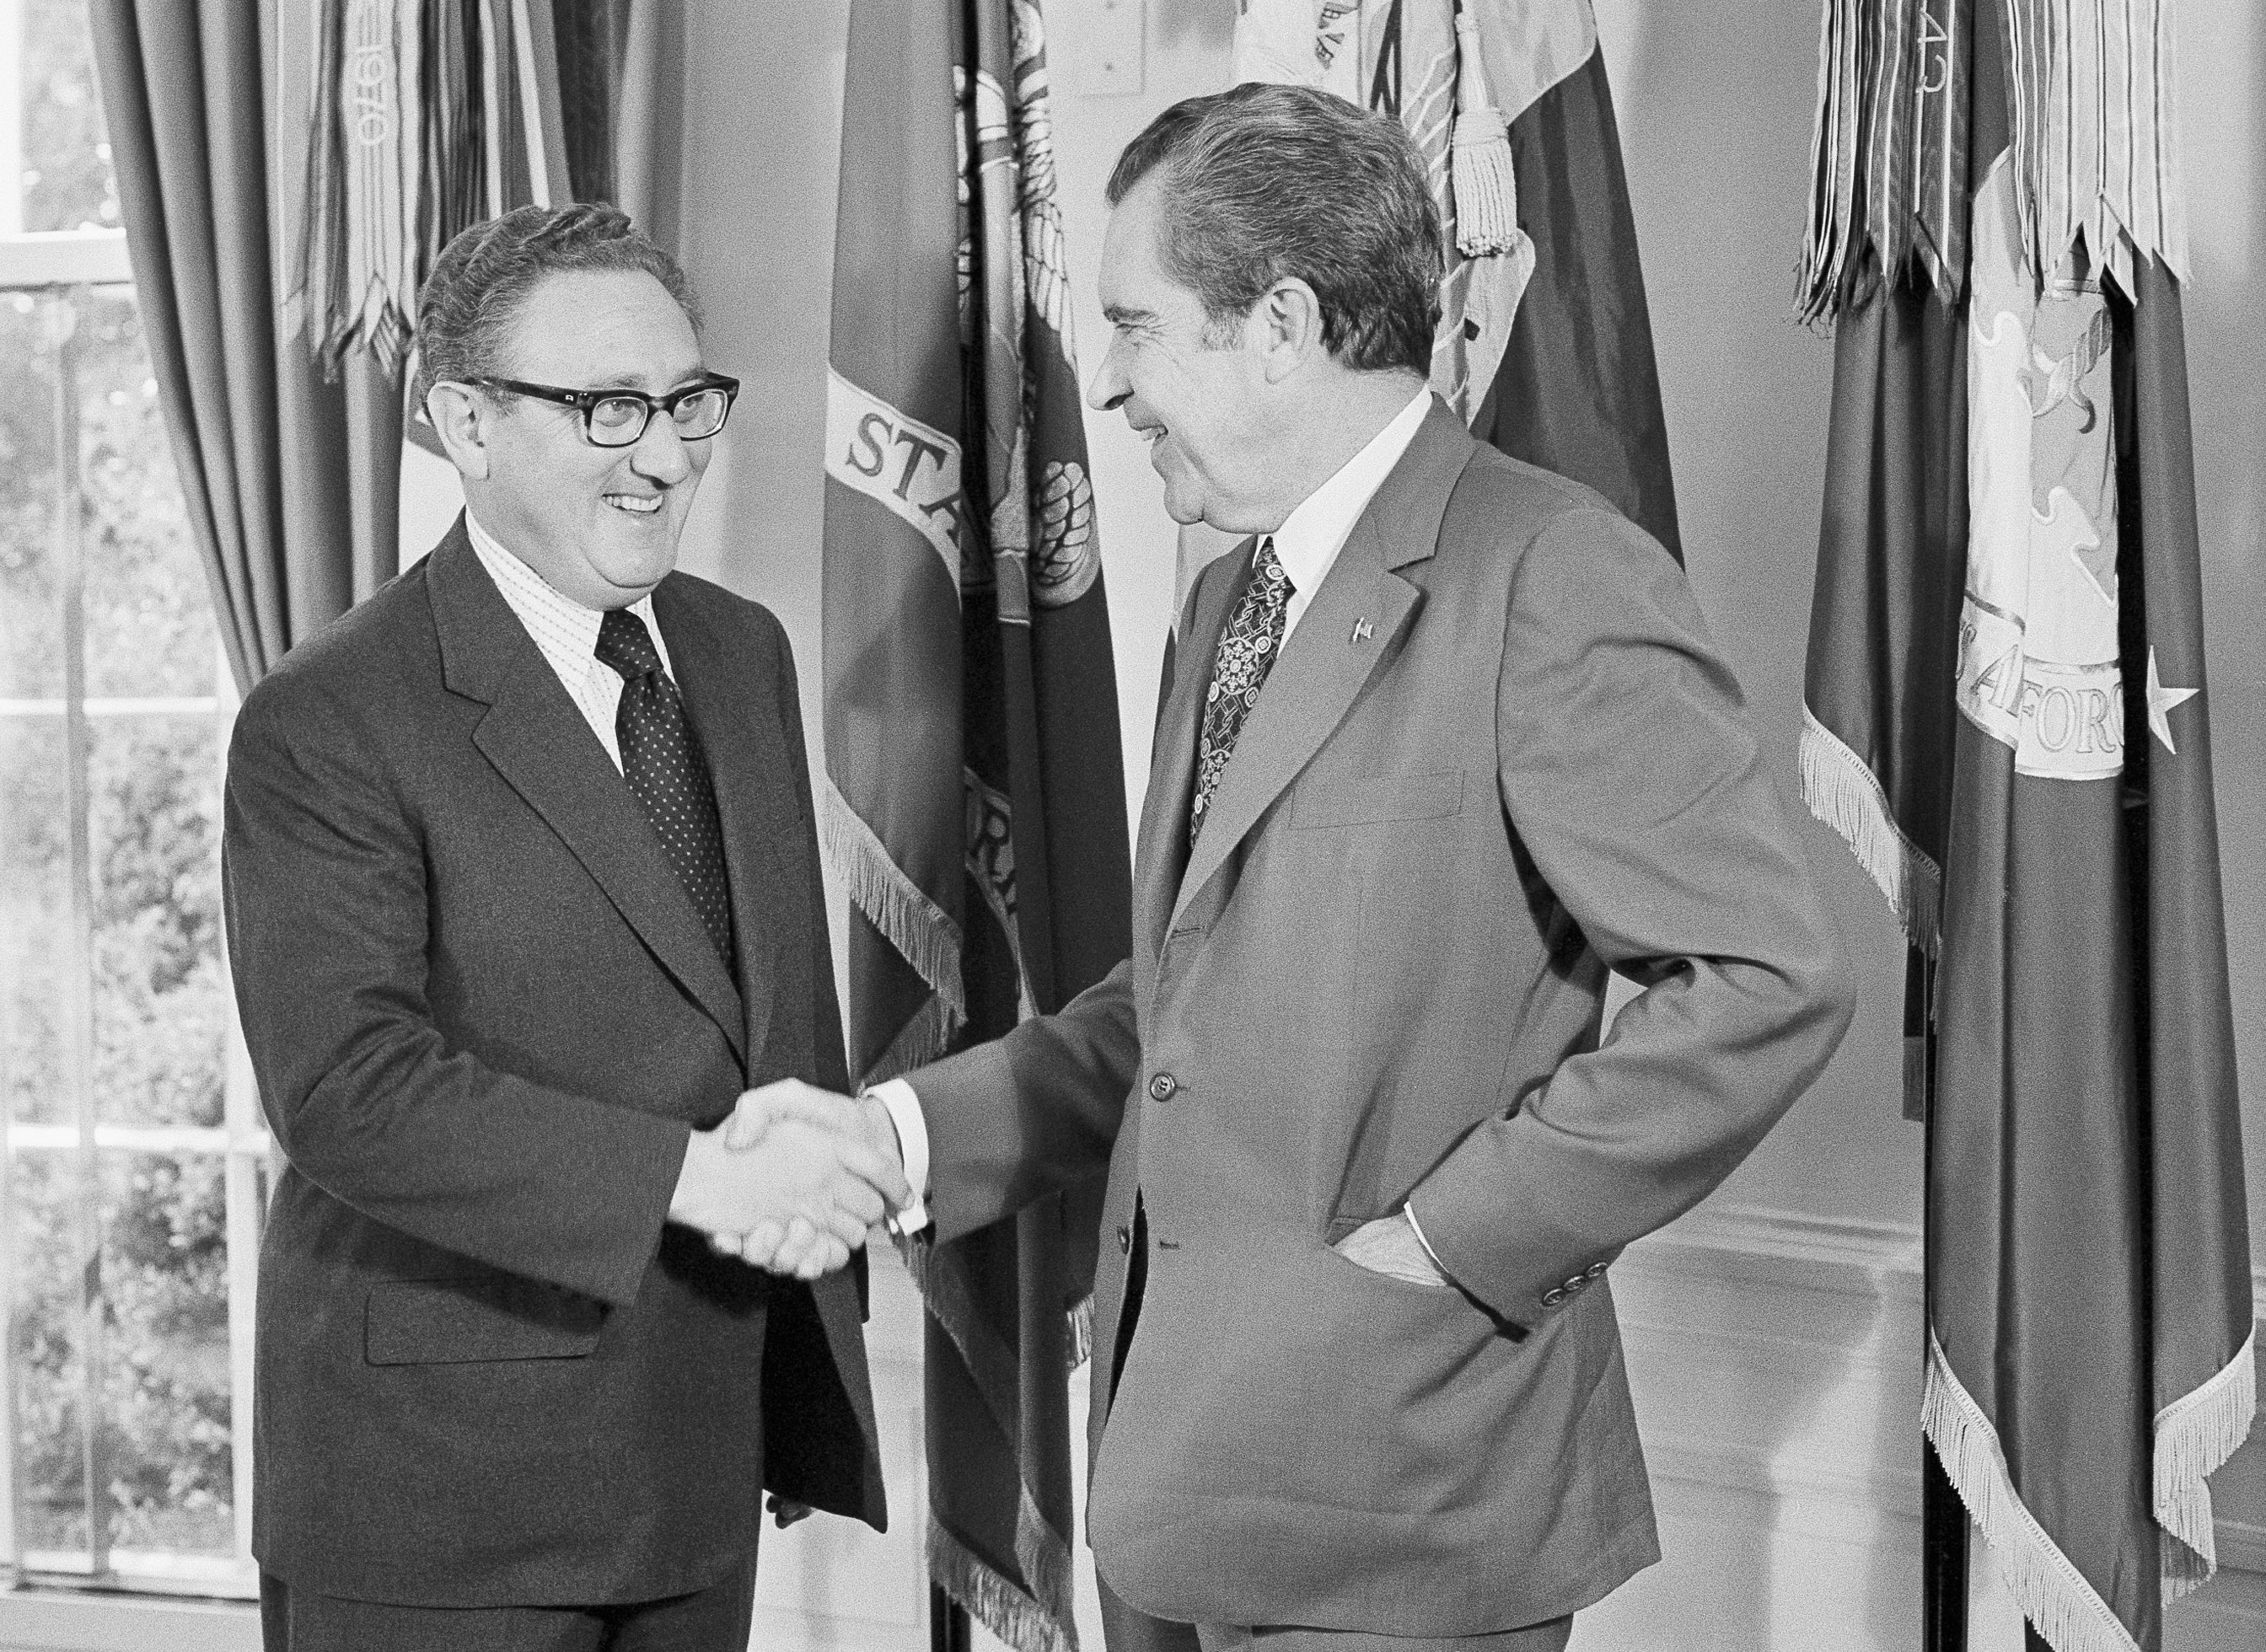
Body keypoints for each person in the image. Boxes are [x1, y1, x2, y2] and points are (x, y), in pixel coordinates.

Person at [725, 84, 1858, 1650]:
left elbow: (1762, 980)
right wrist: (897, 1136)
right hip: (1179, 1490)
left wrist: (1454, 1240)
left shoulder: (1551, 573)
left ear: (1283, 324)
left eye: (1134, 324)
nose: (1105, 381)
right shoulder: (1227, 603)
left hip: (1405, 1506)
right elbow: (1175, 1010)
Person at [220, 201, 909, 1652]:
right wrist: (694, 1177)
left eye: (685, 402)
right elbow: (348, 1092)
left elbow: (767, 1019)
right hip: (437, 1500)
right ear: (464, 421)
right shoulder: (328, 715)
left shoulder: (738, 651)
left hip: (699, 1453)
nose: (663, 456)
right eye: (605, 409)